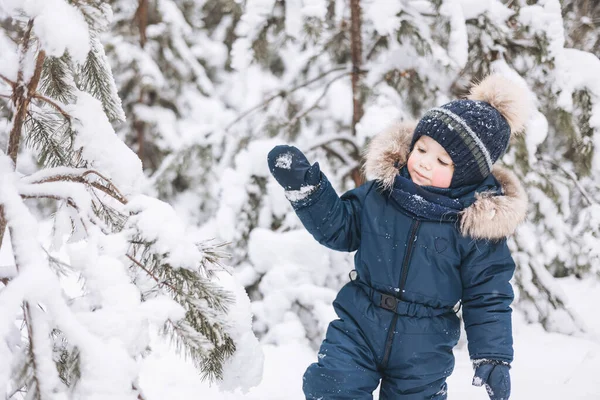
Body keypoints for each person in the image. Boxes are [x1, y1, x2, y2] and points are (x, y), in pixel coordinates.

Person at [267, 74, 529, 400]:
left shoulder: (475, 229)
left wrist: (494, 355)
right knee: (333, 384)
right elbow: (340, 227)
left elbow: (487, 295)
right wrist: (309, 191)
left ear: (467, 175)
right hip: (360, 323)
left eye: (442, 161)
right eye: (421, 149)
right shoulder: (381, 195)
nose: (423, 163)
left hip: (425, 345)